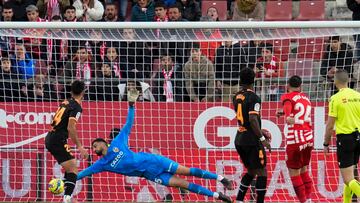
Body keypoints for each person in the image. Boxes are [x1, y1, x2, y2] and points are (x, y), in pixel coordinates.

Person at [76, 88, 233, 202]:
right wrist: (67, 181)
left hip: (154, 161)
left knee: (187, 171)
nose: (94, 149)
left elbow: (128, 124)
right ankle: (218, 196)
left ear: (103, 142)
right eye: (93, 148)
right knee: (184, 184)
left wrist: (131, 106)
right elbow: (82, 173)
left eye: (95, 145)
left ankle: (221, 178)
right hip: (152, 175)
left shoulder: (117, 142)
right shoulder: (102, 164)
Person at [45, 80, 89, 203]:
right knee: (73, 168)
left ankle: (62, 189)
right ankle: (67, 198)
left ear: (71, 91)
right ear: (83, 92)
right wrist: (80, 147)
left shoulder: (65, 102)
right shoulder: (76, 106)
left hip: (51, 136)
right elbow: (71, 127)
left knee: (71, 167)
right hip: (57, 139)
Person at [233, 68, 271, 203]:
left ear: (240, 80)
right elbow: (253, 120)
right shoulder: (254, 97)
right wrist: (262, 138)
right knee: (262, 172)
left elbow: (245, 119)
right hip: (251, 140)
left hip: (239, 138)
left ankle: (239, 200)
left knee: (251, 171)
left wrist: (261, 130)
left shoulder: (236, 96)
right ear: (254, 80)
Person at [323, 69, 360, 203]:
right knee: (349, 176)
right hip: (358, 137)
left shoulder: (335, 98)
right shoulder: (358, 95)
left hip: (345, 139)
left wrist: (326, 143)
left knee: (348, 179)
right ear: (348, 80)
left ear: (335, 81)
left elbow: (330, 125)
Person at [276, 76, 314, 203]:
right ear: (301, 86)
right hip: (308, 138)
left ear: (288, 86)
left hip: (295, 139)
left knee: (294, 172)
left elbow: (289, 117)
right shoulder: (306, 98)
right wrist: (285, 113)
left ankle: (303, 201)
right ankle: (308, 199)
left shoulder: (287, 97)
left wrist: (286, 115)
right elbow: (299, 112)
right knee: (304, 169)